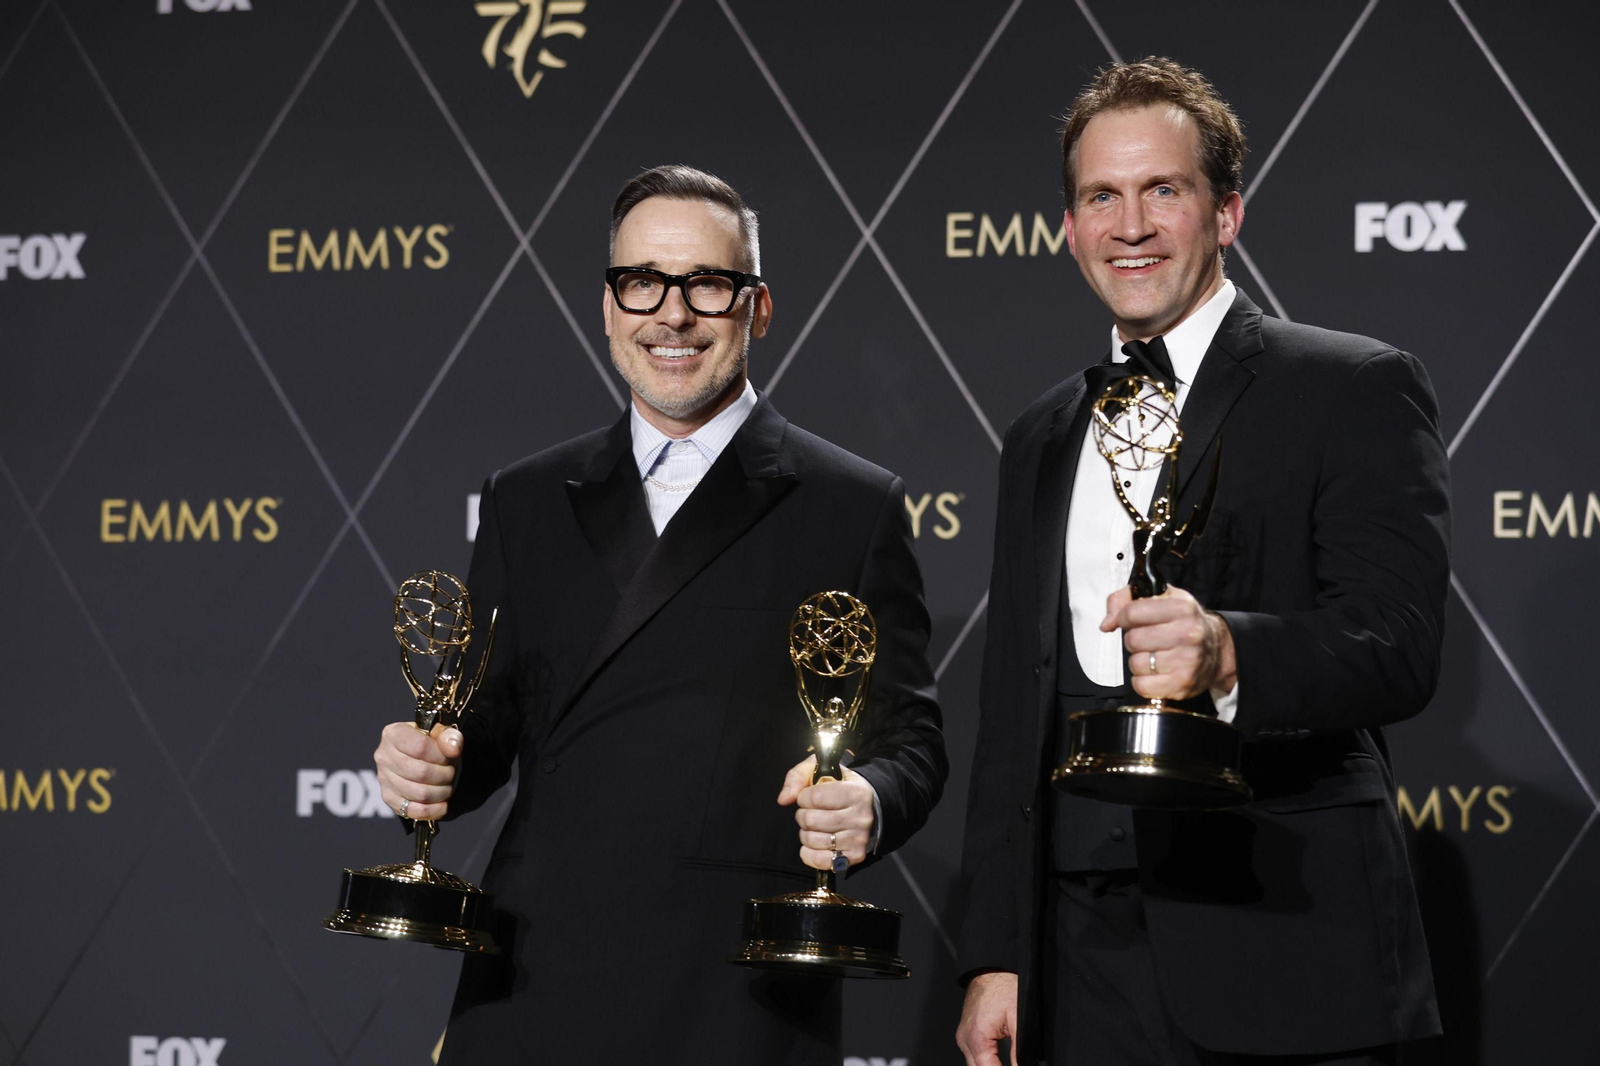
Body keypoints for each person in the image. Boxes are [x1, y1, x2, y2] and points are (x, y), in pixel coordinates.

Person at [373, 165, 946, 1064]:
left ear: (757, 308)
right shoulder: (524, 500)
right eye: (641, 282)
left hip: (730, 992)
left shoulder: (850, 505)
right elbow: (483, 729)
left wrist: (869, 796)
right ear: (608, 308)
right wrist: (428, 765)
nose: (670, 315)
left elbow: (911, 740)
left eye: (706, 286)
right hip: (534, 977)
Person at [954, 58, 1447, 1066]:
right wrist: (996, 955)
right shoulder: (1039, 434)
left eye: (1161, 190)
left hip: (1278, 932)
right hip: (1078, 957)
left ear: (1225, 212)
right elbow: (1012, 713)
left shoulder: (1349, 386)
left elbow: (1397, 646)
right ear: (1067, 226)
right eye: (1101, 195)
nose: (1128, 224)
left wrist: (1229, 655)